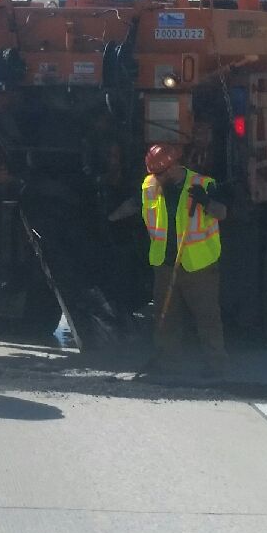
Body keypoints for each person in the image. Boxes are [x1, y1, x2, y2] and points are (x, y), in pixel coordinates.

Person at [111, 144, 229, 377]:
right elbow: (134, 205)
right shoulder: (150, 186)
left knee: (207, 317)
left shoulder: (203, 185)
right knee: (165, 315)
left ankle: (216, 365)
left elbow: (222, 213)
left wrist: (205, 202)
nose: (157, 178)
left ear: (174, 167)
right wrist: (111, 218)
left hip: (198, 265)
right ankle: (168, 361)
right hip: (165, 264)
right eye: (154, 173)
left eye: (161, 173)